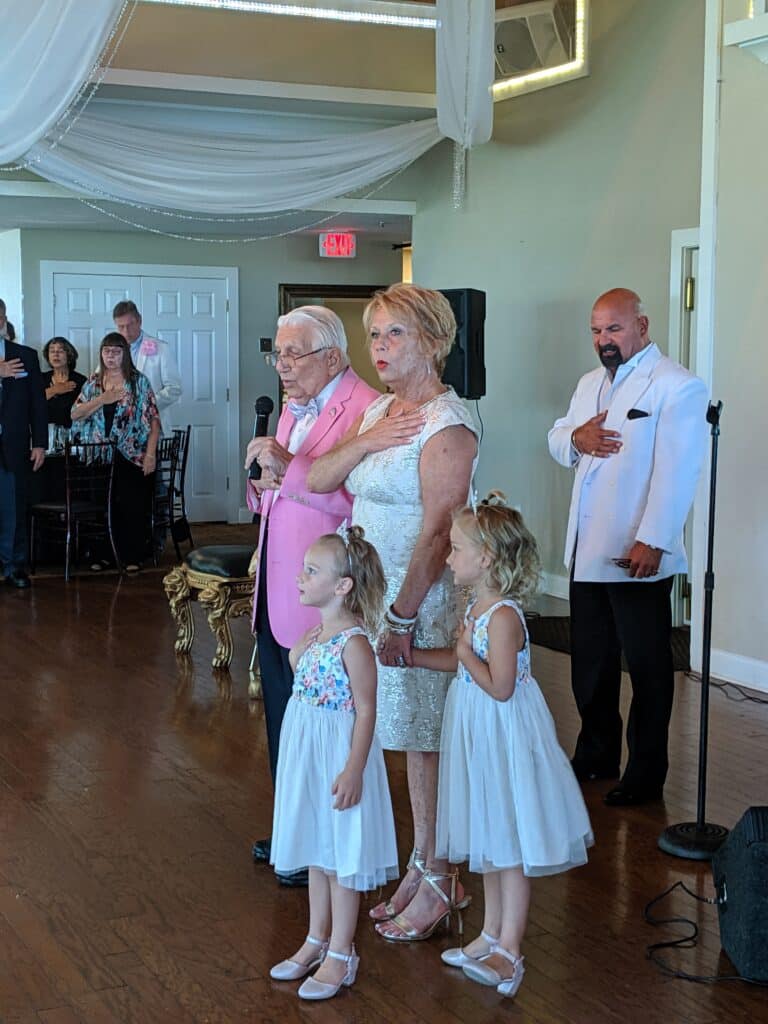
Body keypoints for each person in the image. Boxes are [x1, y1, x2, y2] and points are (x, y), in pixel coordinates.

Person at [306, 283, 478, 941]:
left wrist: (404, 616)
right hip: (374, 598)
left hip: (420, 599)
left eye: (395, 334)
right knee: (403, 739)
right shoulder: (380, 409)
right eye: (374, 335)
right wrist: (371, 439)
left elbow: (440, 529)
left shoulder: (449, 422)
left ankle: (438, 875)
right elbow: (320, 477)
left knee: (427, 741)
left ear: (433, 340)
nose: (379, 347)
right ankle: (421, 865)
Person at [413, 494, 592, 1000]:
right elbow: (461, 664)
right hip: (478, 732)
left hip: (504, 733)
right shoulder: (478, 606)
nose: (448, 558)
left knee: (509, 844)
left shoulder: (505, 617)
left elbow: (500, 685)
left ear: (486, 559)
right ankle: (489, 933)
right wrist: (417, 660)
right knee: (489, 837)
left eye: (455, 550)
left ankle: (510, 948)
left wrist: (466, 650)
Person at [548, 288, 708, 806]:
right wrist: (577, 440)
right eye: (596, 331)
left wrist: (654, 539)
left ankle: (645, 771)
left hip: (637, 549)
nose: (603, 340)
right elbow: (555, 437)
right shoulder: (589, 383)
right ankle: (595, 753)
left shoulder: (677, 385)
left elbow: (678, 470)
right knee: (590, 662)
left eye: (613, 329)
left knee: (646, 665)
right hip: (587, 547)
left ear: (641, 325)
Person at [244, 306, 379, 886]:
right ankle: (293, 833)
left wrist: (290, 466)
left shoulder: (366, 409)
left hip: (325, 597)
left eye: (294, 354)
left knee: (323, 728)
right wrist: (259, 479)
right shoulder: (293, 409)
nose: (283, 366)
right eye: (278, 354)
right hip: (277, 591)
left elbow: (355, 504)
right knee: (284, 723)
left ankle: (324, 844)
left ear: (332, 356)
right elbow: (277, 497)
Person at [269, 527, 398, 1001]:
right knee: (319, 854)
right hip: (309, 757)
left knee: (341, 855)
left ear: (342, 586)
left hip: (338, 758)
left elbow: (366, 709)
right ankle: (315, 939)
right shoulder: (317, 634)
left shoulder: (355, 644)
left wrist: (353, 769)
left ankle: (342, 952)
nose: (300, 576)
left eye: (312, 570)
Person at [72, 332, 160, 572]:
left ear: (125, 354)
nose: (111, 356)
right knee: (102, 506)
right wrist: (103, 398)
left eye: (116, 351)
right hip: (100, 455)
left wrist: (150, 455)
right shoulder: (92, 383)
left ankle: (132, 555)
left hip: (132, 453)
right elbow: (75, 413)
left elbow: (153, 421)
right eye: (106, 351)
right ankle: (103, 555)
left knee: (131, 505)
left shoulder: (138, 381)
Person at [0, 302, 47, 588]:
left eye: (0, 317)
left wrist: (40, 442)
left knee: (12, 506)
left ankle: (14, 566)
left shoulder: (26, 356)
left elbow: (38, 405)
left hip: (14, 444)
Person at [112, 300, 182, 436]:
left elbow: (174, 388)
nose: (126, 331)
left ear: (139, 321)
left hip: (151, 426)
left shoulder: (161, 348)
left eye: (130, 325)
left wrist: (146, 404)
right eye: (121, 327)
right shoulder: (111, 350)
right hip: (119, 427)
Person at [42, 337, 86, 428]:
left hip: (72, 433)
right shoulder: (41, 379)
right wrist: (54, 390)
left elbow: (85, 410)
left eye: (60, 351)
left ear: (69, 356)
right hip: (45, 434)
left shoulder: (80, 380)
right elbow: (31, 402)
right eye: (52, 351)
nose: (56, 355)